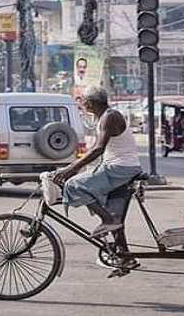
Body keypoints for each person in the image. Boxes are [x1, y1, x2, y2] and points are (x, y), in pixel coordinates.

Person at [53, 86, 143, 264]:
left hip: (120, 168)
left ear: (91, 102)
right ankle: (125, 257)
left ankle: (107, 221)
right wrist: (77, 166)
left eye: (83, 100)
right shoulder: (102, 117)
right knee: (116, 215)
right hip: (119, 166)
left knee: (73, 185)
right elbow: (96, 149)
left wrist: (71, 169)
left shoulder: (109, 117)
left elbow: (99, 148)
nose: (81, 103)